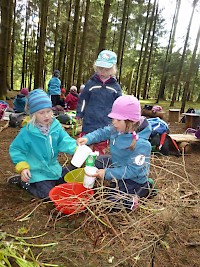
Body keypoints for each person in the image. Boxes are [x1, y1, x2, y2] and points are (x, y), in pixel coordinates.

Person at [77, 95, 153, 210]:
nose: (114, 122)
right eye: (113, 119)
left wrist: (107, 173)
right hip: (117, 162)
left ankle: (136, 196)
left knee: (108, 204)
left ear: (131, 122)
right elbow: (102, 133)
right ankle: (116, 183)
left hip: (132, 179)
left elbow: (132, 171)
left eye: (118, 120)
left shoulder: (142, 145)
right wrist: (88, 138)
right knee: (95, 161)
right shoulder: (117, 128)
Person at [8, 89, 77, 199]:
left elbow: (64, 140)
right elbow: (16, 149)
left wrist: (76, 149)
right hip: (36, 171)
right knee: (48, 196)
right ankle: (24, 183)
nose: (46, 116)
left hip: (53, 168)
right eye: (41, 112)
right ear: (33, 114)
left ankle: (51, 181)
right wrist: (23, 167)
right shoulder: (27, 132)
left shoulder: (55, 126)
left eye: (48, 111)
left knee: (63, 186)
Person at [76, 50, 122, 155]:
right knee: (84, 145)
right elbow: (83, 99)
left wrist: (118, 119)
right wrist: (79, 113)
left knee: (100, 149)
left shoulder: (115, 87)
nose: (103, 71)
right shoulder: (91, 83)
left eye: (106, 69)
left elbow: (118, 104)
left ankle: (96, 166)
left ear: (113, 69)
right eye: (100, 68)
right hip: (89, 120)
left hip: (106, 122)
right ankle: (82, 165)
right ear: (96, 67)